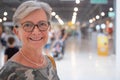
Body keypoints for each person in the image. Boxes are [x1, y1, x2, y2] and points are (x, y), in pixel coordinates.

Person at [0, 1, 60, 80]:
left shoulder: (50, 61)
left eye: (42, 24)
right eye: (27, 25)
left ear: (49, 28)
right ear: (16, 32)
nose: (36, 32)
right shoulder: (8, 73)